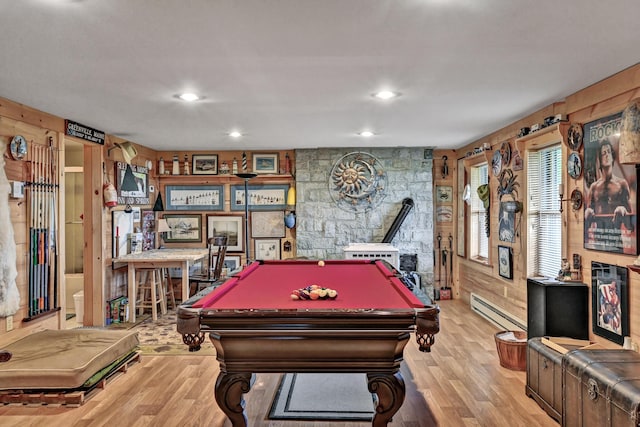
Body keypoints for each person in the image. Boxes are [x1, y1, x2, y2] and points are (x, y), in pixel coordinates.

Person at [584, 139, 633, 230]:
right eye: (603, 153)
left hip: (615, 237)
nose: (606, 155)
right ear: (600, 158)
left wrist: (623, 211)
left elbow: (630, 225)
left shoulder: (622, 184)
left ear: (612, 156)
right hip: (599, 238)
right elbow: (587, 225)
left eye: (608, 152)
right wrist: (587, 214)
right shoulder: (594, 187)